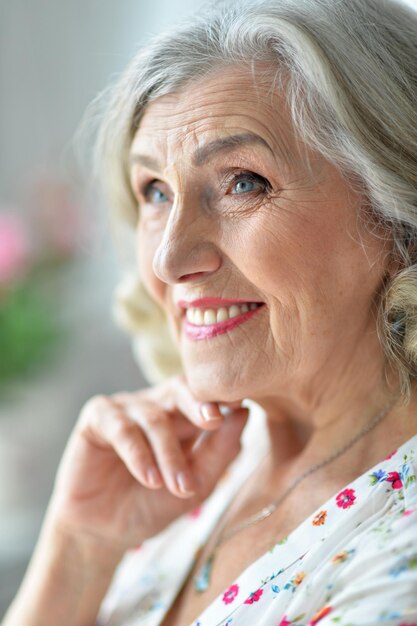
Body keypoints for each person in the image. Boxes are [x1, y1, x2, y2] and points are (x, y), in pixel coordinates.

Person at [3, 0, 417, 624]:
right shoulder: (194, 477)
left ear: (394, 217)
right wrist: (79, 552)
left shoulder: (400, 555)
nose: (169, 259)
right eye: (155, 192)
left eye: (242, 182)